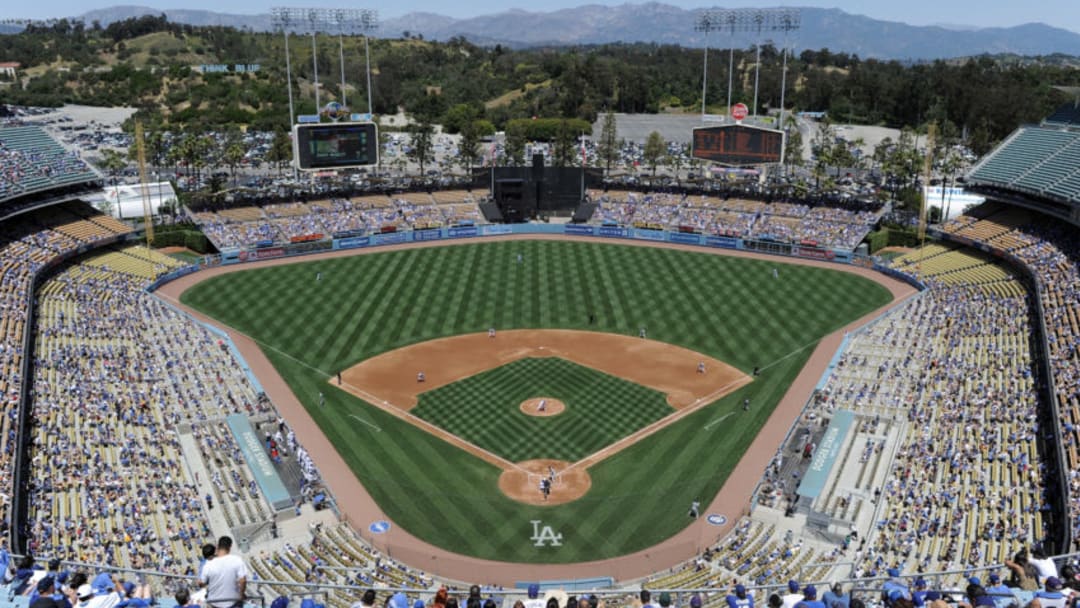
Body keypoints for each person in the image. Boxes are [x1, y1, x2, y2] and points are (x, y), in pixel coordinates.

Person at [199, 536, 249, 608]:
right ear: (230, 547)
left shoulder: (208, 565)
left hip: (214, 602)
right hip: (232, 601)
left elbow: (201, 583)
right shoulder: (237, 560)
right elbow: (243, 580)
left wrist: (208, 587)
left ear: (217, 546)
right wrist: (241, 594)